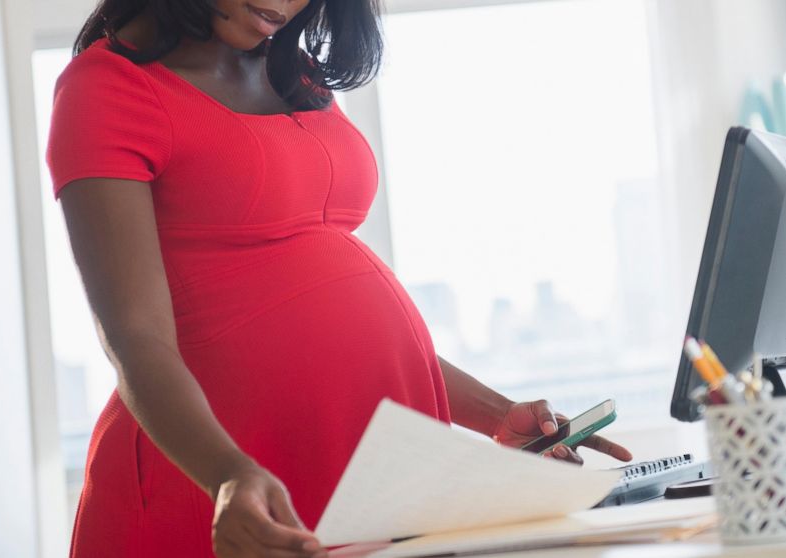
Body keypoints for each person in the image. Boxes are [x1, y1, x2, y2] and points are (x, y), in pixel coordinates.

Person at [46, 1, 633, 556]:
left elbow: (327, 303)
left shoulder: (293, 72)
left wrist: (495, 415)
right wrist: (228, 473)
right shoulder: (107, 88)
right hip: (219, 480)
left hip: (363, 469)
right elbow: (135, 336)